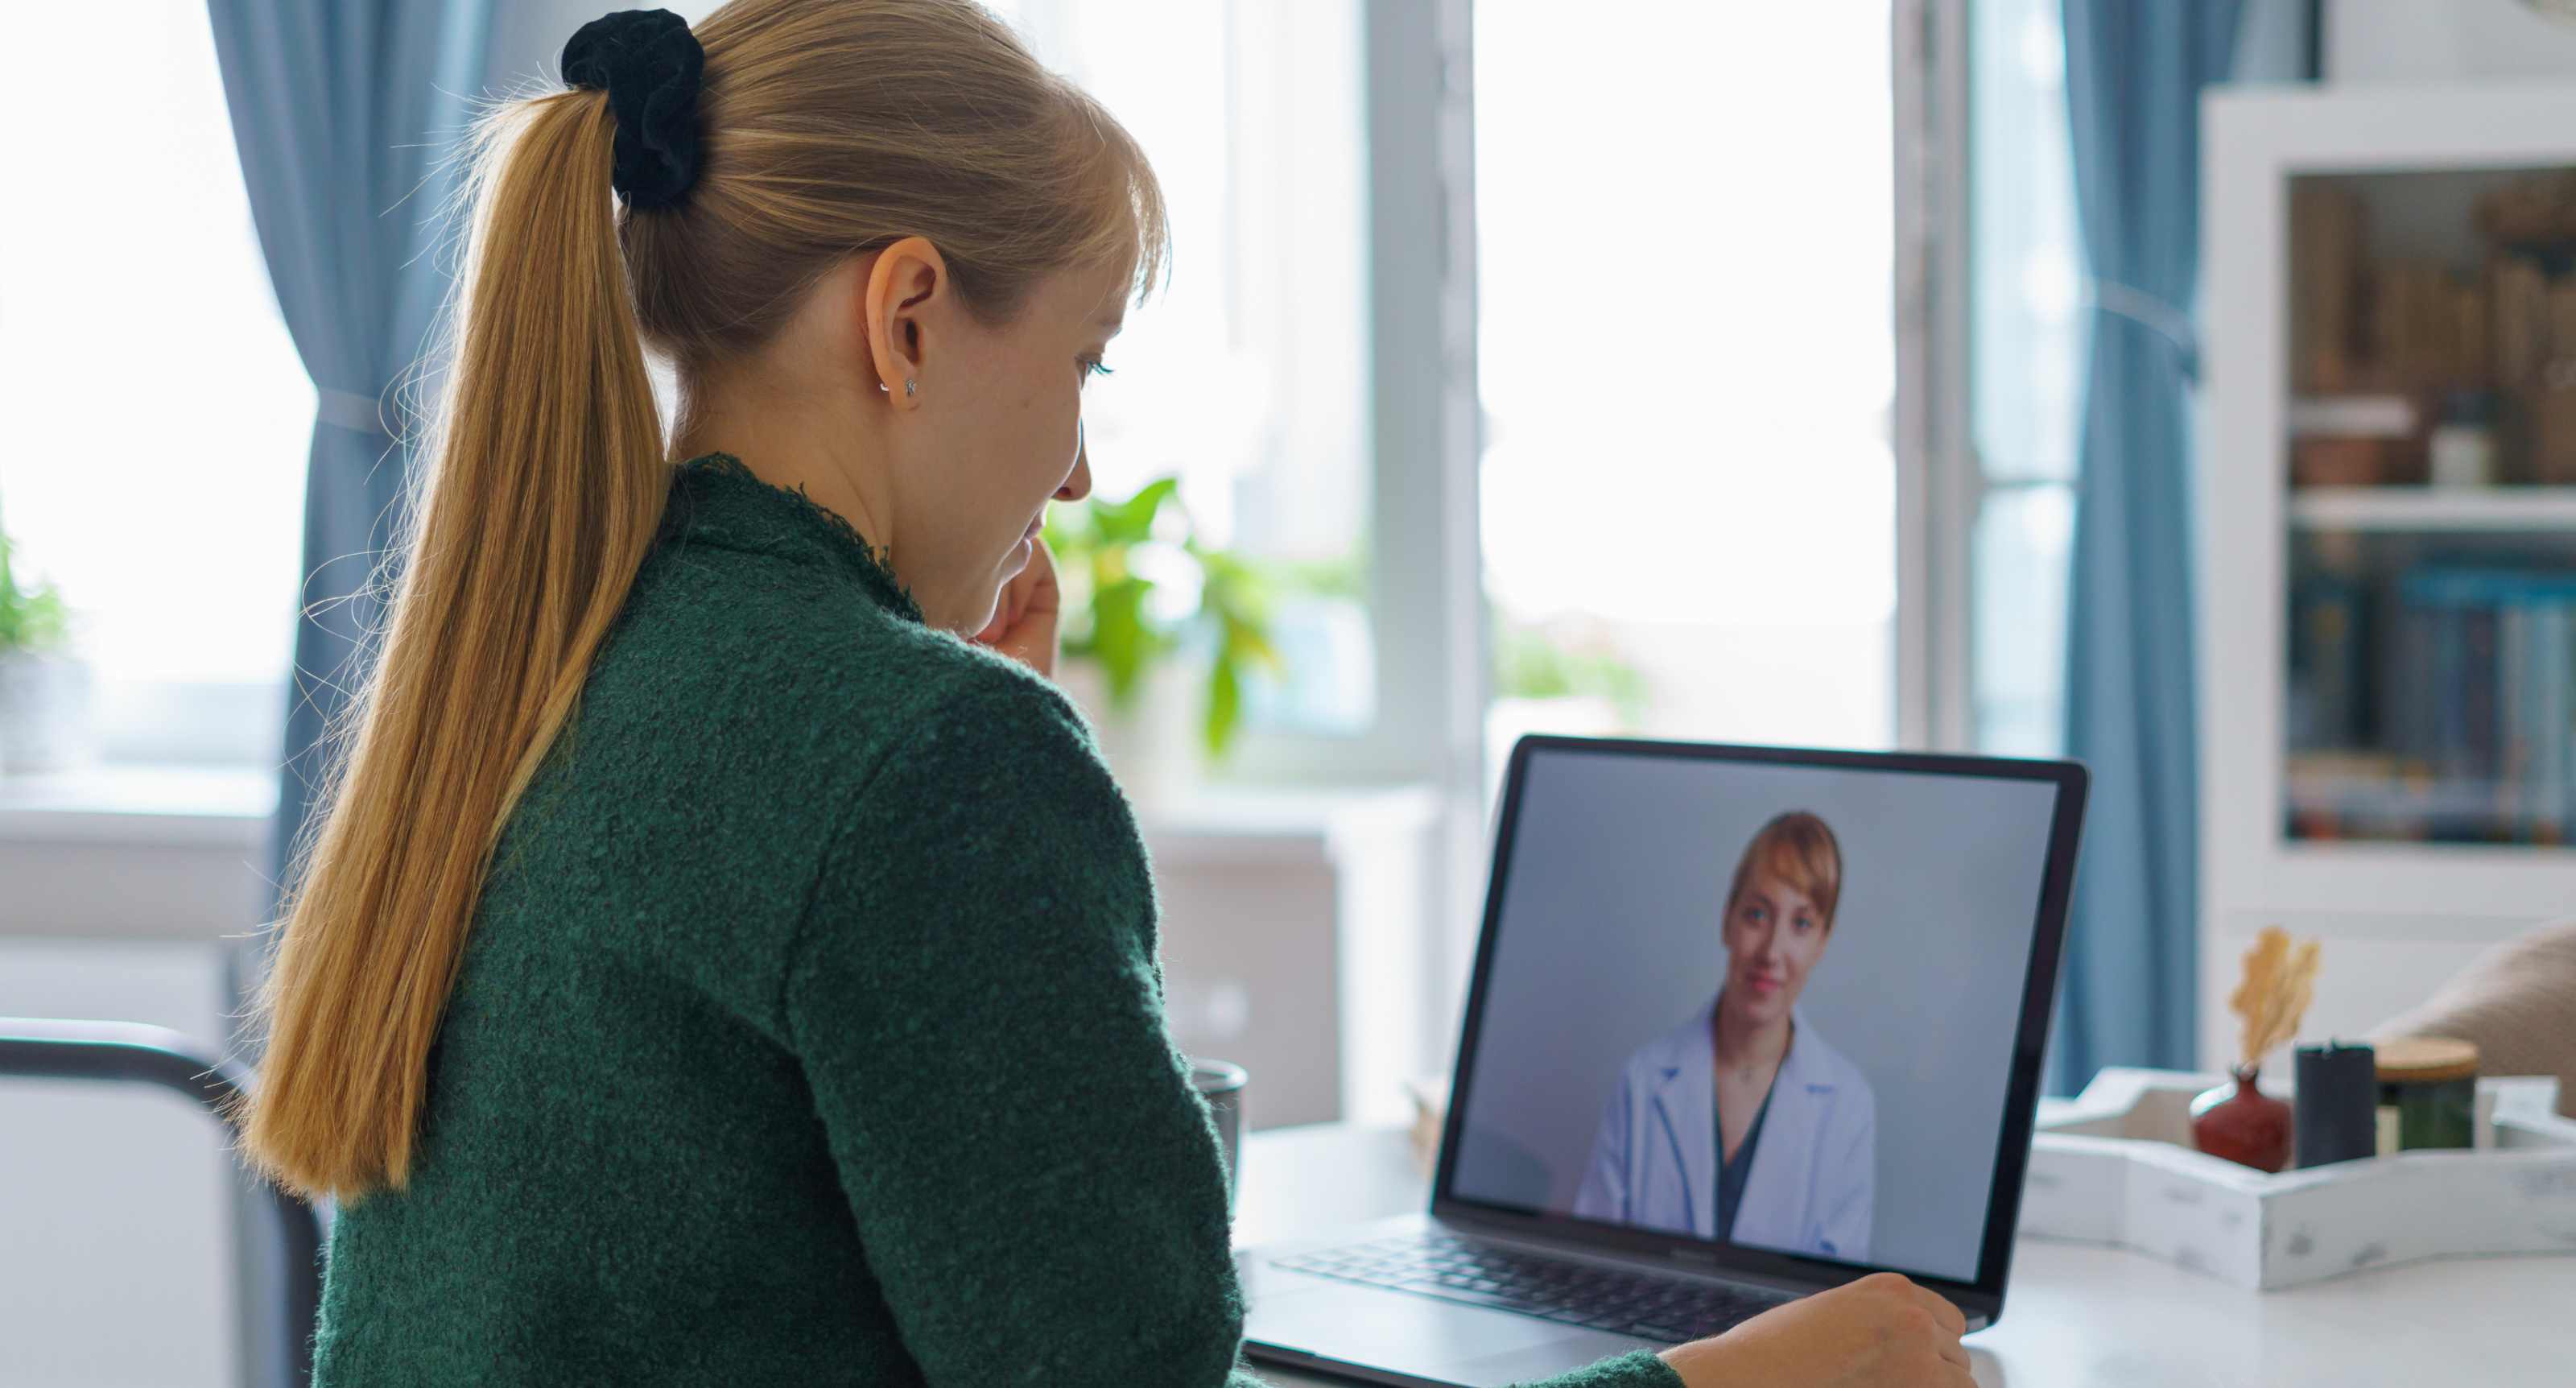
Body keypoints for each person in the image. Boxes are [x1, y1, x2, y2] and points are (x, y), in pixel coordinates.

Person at [237, 3, 1964, 1384]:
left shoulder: (535, 669)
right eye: (1084, 361)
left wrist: (986, 785)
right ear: (908, 318)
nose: (1072, 470)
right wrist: (1733, 1384)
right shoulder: (918, 758)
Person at [1577, 812, 1879, 1262]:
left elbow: (1838, 1307)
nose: (1771, 953)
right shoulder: (1643, 1080)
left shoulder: (1849, 1106)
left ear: (1823, 942)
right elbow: (1591, 1261)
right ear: (1727, 919)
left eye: (1801, 923)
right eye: (1757, 915)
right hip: (1645, 1333)